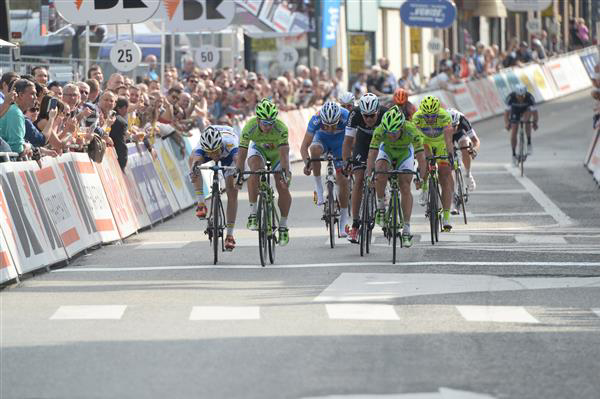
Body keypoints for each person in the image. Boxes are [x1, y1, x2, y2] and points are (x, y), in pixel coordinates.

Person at [235, 99, 292, 246]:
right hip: (259, 150)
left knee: (282, 185)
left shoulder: (281, 128)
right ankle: (253, 214)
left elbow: (284, 156)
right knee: (254, 169)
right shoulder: (249, 127)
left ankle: (283, 226)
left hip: (276, 154)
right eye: (265, 123)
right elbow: (241, 155)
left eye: (271, 123)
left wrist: (286, 174)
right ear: (258, 119)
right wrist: (239, 175)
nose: (268, 126)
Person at [366, 106, 425, 248]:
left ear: (401, 128)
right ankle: (380, 207)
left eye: (394, 132)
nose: (391, 135)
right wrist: (369, 175)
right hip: (386, 151)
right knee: (380, 171)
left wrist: (421, 177)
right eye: (388, 132)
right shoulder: (380, 130)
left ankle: (406, 228)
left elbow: (421, 157)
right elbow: (372, 154)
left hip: (405, 153)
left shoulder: (411, 130)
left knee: (405, 185)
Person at [342, 92, 388, 243]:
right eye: (365, 116)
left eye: (372, 116)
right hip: (362, 142)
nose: (368, 119)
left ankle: (383, 202)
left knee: (381, 172)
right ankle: (355, 225)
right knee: (359, 179)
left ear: (378, 112)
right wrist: (346, 161)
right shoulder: (354, 114)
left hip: (381, 142)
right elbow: (348, 141)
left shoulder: (385, 114)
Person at [301, 101, 351, 236]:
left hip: (340, 144)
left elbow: (353, 141)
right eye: (326, 125)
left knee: (343, 179)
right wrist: (307, 163)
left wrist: (349, 161)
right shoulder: (316, 119)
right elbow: (304, 147)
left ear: (338, 119)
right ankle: (318, 186)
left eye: (333, 125)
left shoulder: (346, 116)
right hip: (322, 140)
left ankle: (344, 221)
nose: (330, 129)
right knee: (314, 149)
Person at [190, 125, 240, 251]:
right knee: (193, 164)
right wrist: (194, 170)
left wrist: (239, 175)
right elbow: (195, 161)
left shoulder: (230, 144)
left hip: (228, 155)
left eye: (216, 151)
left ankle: (229, 235)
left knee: (232, 191)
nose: (214, 155)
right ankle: (201, 202)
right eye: (210, 153)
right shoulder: (202, 147)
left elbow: (238, 161)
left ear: (220, 145)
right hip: (209, 143)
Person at [413, 95, 455, 232]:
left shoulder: (445, 117)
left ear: (438, 111)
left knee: (445, 177)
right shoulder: (417, 117)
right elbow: (417, 140)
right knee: (425, 159)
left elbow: (449, 140)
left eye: (433, 116)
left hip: (441, 143)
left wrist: (450, 156)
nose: (430, 119)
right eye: (427, 116)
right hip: (425, 141)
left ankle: (447, 216)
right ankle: (425, 186)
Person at [447, 108, 480, 193]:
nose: (453, 129)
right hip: (446, 134)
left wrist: (474, 150)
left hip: (460, 133)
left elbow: (476, 141)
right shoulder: (441, 121)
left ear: (458, 122)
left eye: (455, 126)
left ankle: (468, 174)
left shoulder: (463, 120)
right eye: (451, 126)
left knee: (465, 146)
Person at [0, 79, 36, 156]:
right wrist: (28, 146)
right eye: (32, 94)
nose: (35, 97)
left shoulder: (14, 110)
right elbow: (17, 149)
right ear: (21, 95)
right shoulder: (15, 112)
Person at [504, 84, 538, 165]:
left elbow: (535, 113)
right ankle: (513, 154)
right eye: (519, 96)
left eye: (523, 96)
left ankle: (529, 142)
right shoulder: (510, 98)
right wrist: (507, 123)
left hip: (526, 111)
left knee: (526, 120)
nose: (521, 98)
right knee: (514, 131)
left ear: (525, 94)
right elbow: (506, 113)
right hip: (515, 111)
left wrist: (535, 122)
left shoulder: (530, 98)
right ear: (516, 94)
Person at [110, 97, 129, 170]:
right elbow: (121, 144)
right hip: (113, 160)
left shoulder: (109, 116)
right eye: (126, 108)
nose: (127, 111)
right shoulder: (121, 122)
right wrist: (122, 164)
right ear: (122, 108)